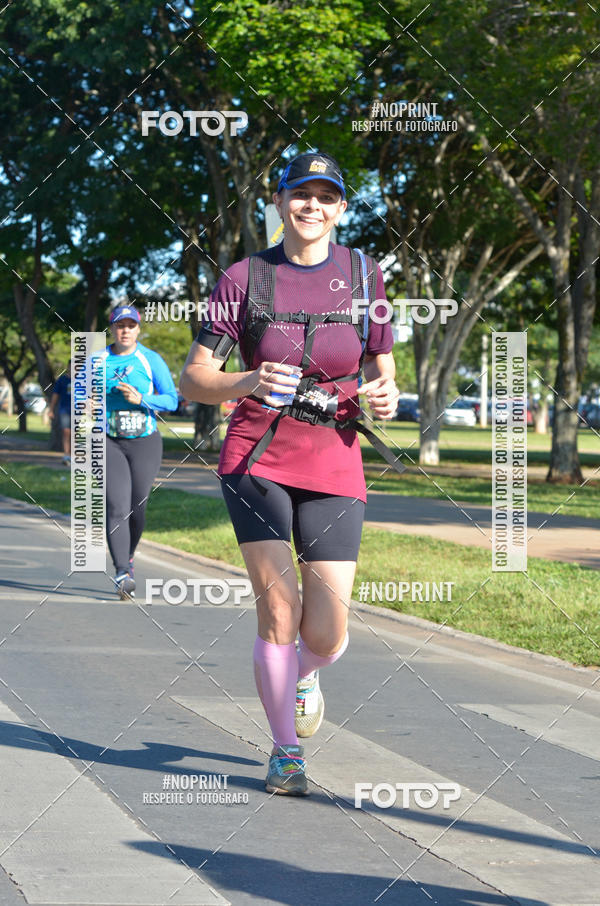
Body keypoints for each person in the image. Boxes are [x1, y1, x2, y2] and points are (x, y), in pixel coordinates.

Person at [180, 151, 399, 795]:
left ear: (340, 208)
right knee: (279, 610)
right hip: (256, 458)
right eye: (299, 194)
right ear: (277, 203)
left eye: (326, 196)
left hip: (334, 456)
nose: (312, 206)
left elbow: (382, 368)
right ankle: (284, 752)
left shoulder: (366, 277)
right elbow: (194, 379)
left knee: (327, 631)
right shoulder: (246, 276)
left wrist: (384, 395)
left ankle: (306, 673)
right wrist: (247, 378)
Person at [101, 305, 178, 599]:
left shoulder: (150, 360)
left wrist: (142, 398)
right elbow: (78, 396)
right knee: (116, 505)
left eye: (131, 325)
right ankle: (122, 571)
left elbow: (171, 400)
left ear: (138, 329)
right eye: (120, 325)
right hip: (108, 440)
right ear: (112, 328)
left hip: (145, 441)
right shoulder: (99, 360)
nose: (125, 330)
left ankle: (129, 555)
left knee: (137, 506)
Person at [49, 361, 72, 465]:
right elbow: (55, 395)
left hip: (79, 411)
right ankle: (66, 455)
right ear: (68, 367)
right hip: (65, 410)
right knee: (66, 432)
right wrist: (51, 409)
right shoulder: (62, 380)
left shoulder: (83, 379)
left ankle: (73, 455)